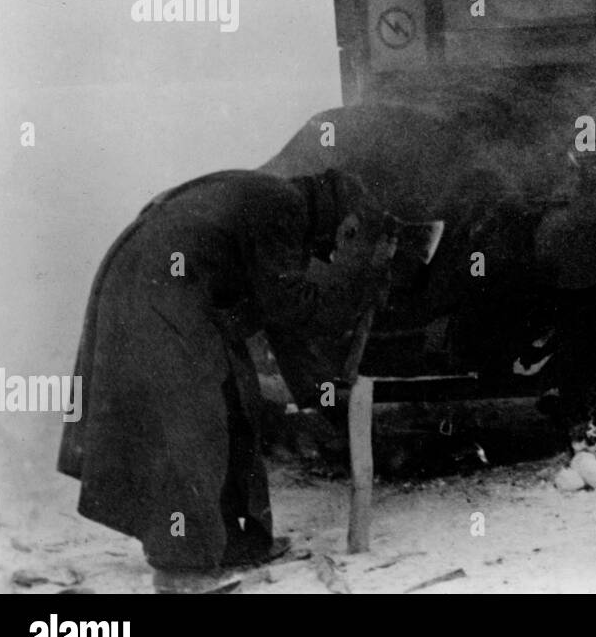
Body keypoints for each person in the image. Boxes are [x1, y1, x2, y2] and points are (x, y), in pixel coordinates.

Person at [57, 168, 394, 593]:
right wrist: (359, 290)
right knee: (189, 423)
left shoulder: (277, 200)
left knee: (238, 399)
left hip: (173, 284)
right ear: (338, 212)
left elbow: (277, 322)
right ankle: (181, 567)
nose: (338, 245)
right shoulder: (283, 205)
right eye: (348, 231)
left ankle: (238, 541)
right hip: (159, 286)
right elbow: (289, 307)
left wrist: (321, 397)